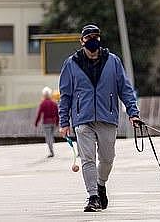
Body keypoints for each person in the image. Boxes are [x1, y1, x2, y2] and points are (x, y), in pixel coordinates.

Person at [58, 24, 141, 212]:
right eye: (88, 38)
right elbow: (66, 95)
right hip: (82, 118)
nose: (92, 40)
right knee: (87, 159)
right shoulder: (71, 64)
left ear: (100, 39)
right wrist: (64, 122)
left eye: (96, 36)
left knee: (107, 158)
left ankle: (101, 184)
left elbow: (125, 89)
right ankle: (93, 196)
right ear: (82, 41)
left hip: (107, 117)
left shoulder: (113, 61)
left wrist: (133, 113)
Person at [34, 86, 59, 157]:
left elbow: (39, 114)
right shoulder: (54, 103)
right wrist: (57, 122)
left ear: (44, 95)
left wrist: (36, 122)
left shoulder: (43, 103)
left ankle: (51, 151)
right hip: (53, 122)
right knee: (51, 136)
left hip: (46, 123)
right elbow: (57, 114)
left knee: (48, 137)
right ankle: (51, 147)